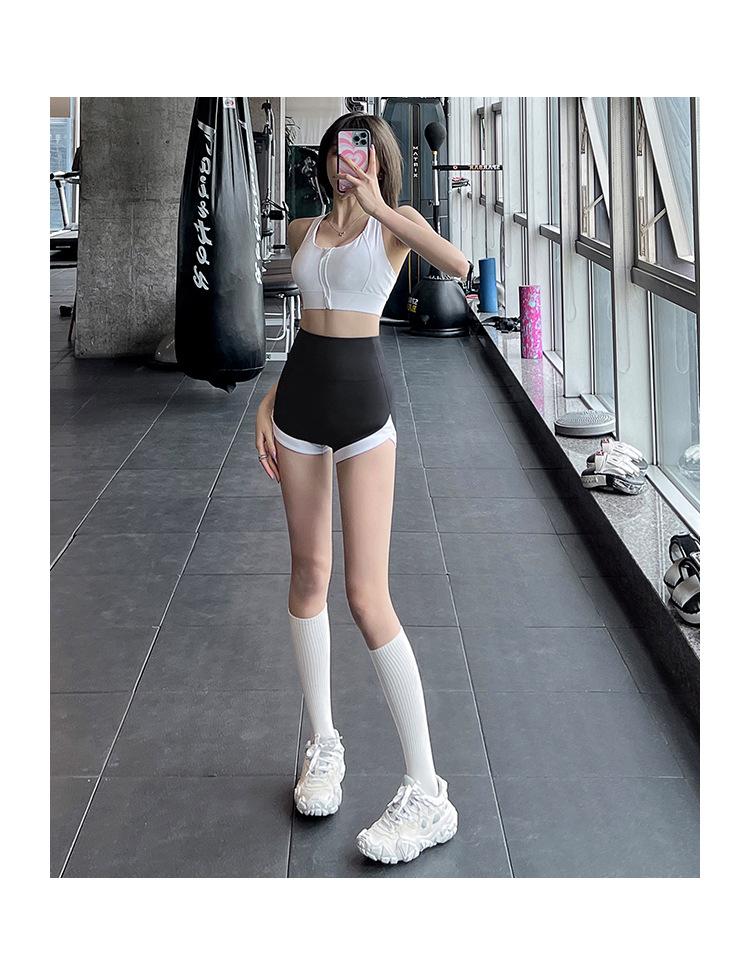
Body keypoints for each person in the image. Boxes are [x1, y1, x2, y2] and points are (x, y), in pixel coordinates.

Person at [255, 113, 470, 865]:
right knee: (307, 576)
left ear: (378, 158)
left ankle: (428, 790)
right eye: (339, 148)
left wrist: (380, 206)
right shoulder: (304, 233)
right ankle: (323, 745)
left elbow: (459, 264)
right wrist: (269, 398)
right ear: (326, 159)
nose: (348, 159)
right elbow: (308, 328)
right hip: (298, 410)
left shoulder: (394, 225)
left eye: (362, 148)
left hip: (364, 417)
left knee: (366, 595)